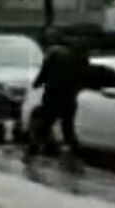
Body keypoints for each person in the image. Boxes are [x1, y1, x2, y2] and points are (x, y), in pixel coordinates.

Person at [25, 42, 92, 170]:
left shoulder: (53, 54)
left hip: (53, 95)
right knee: (68, 127)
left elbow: (43, 74)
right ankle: (77, 154)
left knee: (44, 125)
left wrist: (36, 84)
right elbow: (85, 75)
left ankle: (32, 151)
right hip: (70, 96)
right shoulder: (79, 56)